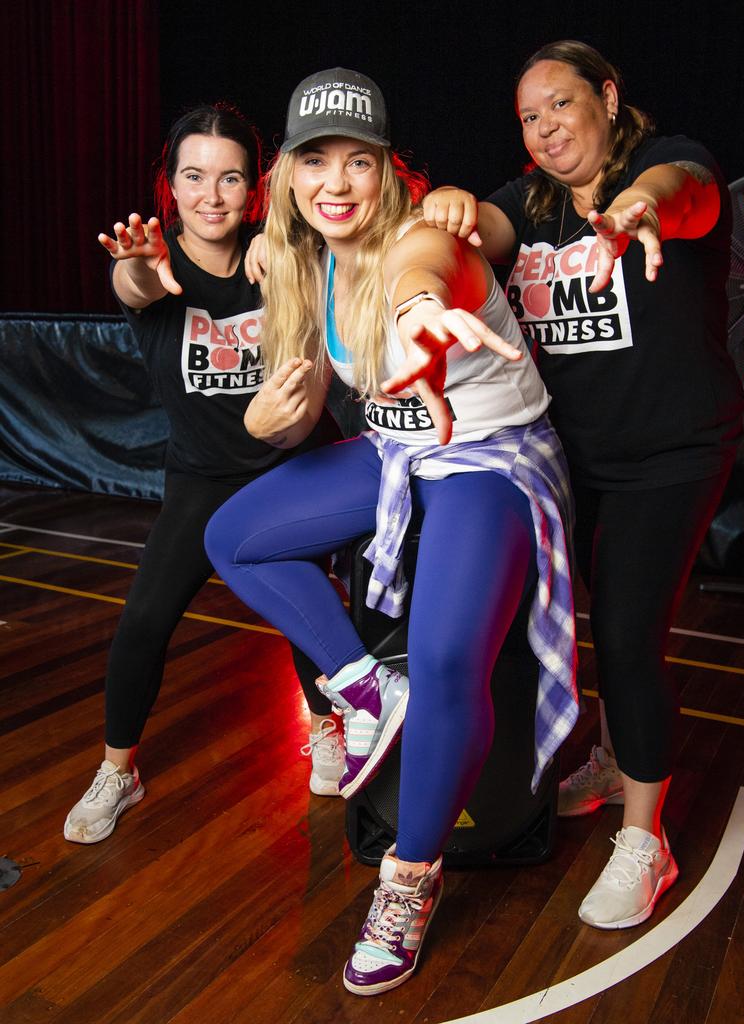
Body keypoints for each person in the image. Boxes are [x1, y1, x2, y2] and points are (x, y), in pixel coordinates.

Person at [204, 67, 578, 996]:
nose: (336, 183)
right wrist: (268, 424)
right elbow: (299, 418)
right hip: (397, 451)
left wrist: (417, 310)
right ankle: (366, 689)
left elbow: (427, 275)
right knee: (235, 535)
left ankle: (407, 880)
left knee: (450, 660)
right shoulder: (296, 260)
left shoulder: (427, 235)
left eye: (358, 162)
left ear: (390, 171)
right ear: (286, 175)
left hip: (490, 459)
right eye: (314, 161)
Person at [423, 40, 744, 930]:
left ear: (607, 96)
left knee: (631, 632)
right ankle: (609, 754)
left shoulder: (662, 164)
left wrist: (645, 204)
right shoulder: (524, 207)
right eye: (529, 117)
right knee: (594, 618)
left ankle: (647, 842)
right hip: (576, 456)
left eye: (561, 105)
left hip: (674, 451)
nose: (546, 130)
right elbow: (473, 237)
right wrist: (447, 218)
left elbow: (692, 193)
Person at [64, 104, 345, 846]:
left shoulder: (279, 253)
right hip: (200, 478)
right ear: (171, 186)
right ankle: (118, 770)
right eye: (194, 177)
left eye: (229, 179)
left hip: (289, 468)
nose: (211, 195)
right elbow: (134, 286)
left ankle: (326, 728)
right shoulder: (158, 268)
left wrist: (284, 245)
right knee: (144, 622)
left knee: (305, 614)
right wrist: (136, 267)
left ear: (254, 189)